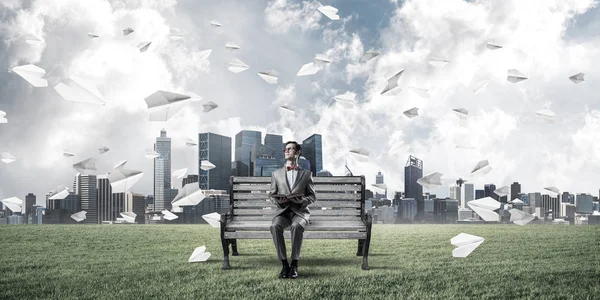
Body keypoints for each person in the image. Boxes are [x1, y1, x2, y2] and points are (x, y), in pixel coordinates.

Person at [269, 141, 316, 279]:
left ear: (298, 153)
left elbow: (312, 196)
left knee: (296, 226)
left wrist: (302, 201)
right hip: (282, 212)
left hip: (300, 212)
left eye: (291, 149)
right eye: (286, 149)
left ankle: (294, 264)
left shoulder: (307, 174)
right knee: (275, 226)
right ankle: (284, 264)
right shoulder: (276, 174)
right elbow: (271, 194)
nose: (287, 151)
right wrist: (277, 200)